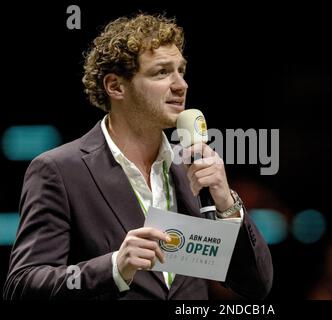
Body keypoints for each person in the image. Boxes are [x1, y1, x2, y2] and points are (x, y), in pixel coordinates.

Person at [3, 13, 273, 300]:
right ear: (116, 86)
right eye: (161, 72)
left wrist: (227, 206)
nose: (181, 85)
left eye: (181, 70)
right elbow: (23, 286)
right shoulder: (60, 171)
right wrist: (114, 267)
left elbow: (256, 285)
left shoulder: (192, 170)